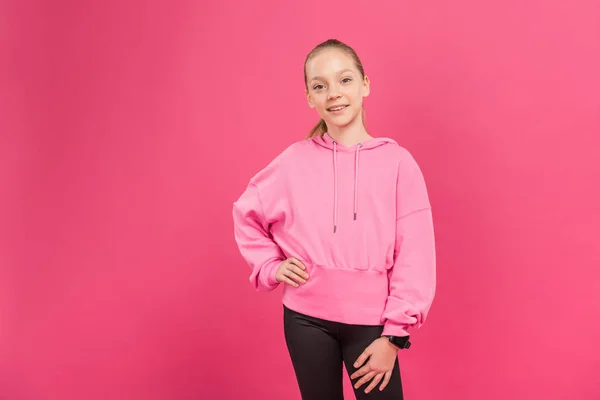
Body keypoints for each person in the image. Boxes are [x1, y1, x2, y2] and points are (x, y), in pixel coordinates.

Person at [232, 38, 436, 400]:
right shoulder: (294, 161)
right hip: (305, 319)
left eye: (344, 80)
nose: (334, 94)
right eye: (319, 86)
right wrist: (269, 266)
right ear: (310, 98)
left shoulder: (398, 163)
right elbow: (246, 212)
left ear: (365, 85)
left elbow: (415, 255)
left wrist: (394, 336)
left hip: (372, 325)